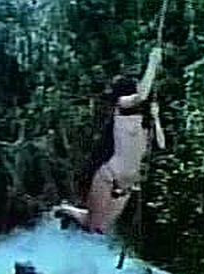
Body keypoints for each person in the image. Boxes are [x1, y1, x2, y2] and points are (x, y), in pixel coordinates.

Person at [54, 46, 165, 234]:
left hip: (127, 185)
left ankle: (71, 212)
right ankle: (65, 209)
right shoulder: (120, 108)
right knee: (92, 226)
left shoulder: (146, 120)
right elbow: (142, 95)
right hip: (109, 176)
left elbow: (161, 144)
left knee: (101, 229)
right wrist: (152, 63)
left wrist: (156, 118)